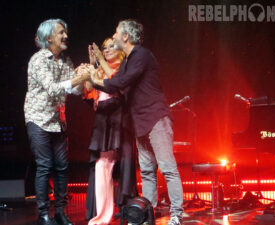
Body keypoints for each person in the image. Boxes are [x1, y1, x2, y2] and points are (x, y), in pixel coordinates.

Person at [89, 19, 184, 225]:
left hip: (156, 119)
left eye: (116, 33)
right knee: (148, 171)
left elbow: (121, 82)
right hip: (140, 123)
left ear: (125, 36)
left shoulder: (142, 55)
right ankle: (146, 213)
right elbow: (115, 84)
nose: (113, 37)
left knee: (167, 168)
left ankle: (177, 214)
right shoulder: (127, 60)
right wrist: (96, 70)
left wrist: (95, 80)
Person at [24, 19, 90, 225]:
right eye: (61, 32)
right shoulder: (38, 60)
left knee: (62, 167)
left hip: (57, 121)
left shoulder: (65, 60)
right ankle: (43, 215)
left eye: (66, 32)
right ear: (49, 37)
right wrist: (80, 79)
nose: (66, 36)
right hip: (38, 119)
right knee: (45, 166)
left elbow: (75, 90)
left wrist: (85, 75)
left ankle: (60, 213)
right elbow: (52, 88)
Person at [83, 38, 137, 225]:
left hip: (118, 117)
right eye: (104, 48)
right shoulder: (100, 68)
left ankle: (126, 212)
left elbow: (116, 84)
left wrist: (100, 60)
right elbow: (88, 90)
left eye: (110, 46)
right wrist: (92, 64)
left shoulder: (124, 67)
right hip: (102, 117)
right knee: (102, 164)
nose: (106, 50)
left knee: (119, 165)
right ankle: (102, 215)